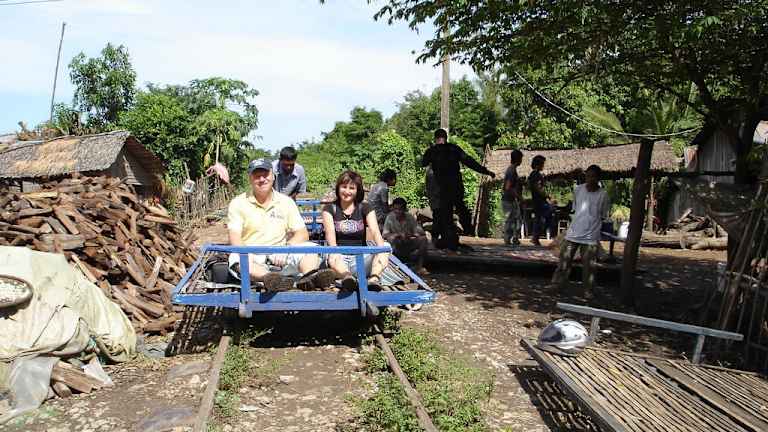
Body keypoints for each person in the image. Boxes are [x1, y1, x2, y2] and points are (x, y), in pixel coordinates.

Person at [227, 158, 335, 291]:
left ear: (273, 176)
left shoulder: (286, 202)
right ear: (250, 179)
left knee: (311, 249)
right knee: (237, 257)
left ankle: (309, 277)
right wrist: (247, 254)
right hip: (253, 255)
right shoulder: (238, 203)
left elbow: (302, 233)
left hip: (281, 253)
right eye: (257, 176)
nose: (262, 179)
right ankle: (270, 279)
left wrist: (286, 248)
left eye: (265, 175)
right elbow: (235, 238)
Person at [421, 128, 495, 252]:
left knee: (445, 215)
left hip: (442, 190)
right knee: (460, 208)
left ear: (435, 139)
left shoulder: (432, 151)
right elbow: (470, 161)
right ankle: (464, 230)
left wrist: (431, 153)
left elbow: (423, 163)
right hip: (456, 188)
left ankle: (450, 240)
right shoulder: (454, 149)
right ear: (446, 138)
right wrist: (486, 171)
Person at [322, 170, 390, 292]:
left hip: (361, 259)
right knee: (332, 253)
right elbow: (330, 234)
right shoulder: (329, 209)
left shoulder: (365, 207)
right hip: (339, 260)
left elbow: (375, 231)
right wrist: (335, 251)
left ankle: (374, 279)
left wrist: (381, 249)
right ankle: (347, 278)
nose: (347, 191)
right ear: (338, 188)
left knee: (385, 246)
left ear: (357, 190)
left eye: (351, 188)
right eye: (344, 187)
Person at [550, 165, 610, 296]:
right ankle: (556, 286)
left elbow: (603, 215)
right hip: (573, 233)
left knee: (589, 266)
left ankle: (588, 291)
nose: (590, 179)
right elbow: (576, 209)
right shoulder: (578, 190)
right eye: (588, 176)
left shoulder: (603, 195)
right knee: (563, 262)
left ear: (598, 178)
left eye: (593, 176)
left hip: (590, 237)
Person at [383, 198, 429, 274]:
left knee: (423, 239)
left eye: (400, 209)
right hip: (396, 244)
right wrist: (398, 235)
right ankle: (394, 266)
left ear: (404, 209)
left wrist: (409, 235)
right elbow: (385, 235)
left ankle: (419, 267)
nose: (397, 211)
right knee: (392, 240)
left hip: (408, 242)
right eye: (395, 209)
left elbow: (419, 232)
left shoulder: (409, 217)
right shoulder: (390, 217)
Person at [528, 155, 554, 245]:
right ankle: (536, 236)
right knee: (547, 215)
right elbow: (538, 188)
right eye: (542, 164)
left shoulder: (534, 174)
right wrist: (547, 196)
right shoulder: (536, 175)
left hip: (537, 200)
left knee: (539, 218)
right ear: (537, 165)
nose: (543, 166)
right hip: (539, 201)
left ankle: (535, 237)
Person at [502, 150, 524, 246]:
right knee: (511, 219)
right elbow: (508, 187)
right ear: (518, 159)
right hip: (508, 199)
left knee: (517, 219)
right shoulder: (511, 171)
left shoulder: (512, 170)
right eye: (521, 158)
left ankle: (514, 238)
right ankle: (508, 239)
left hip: (511, 199)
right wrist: (518, 196)